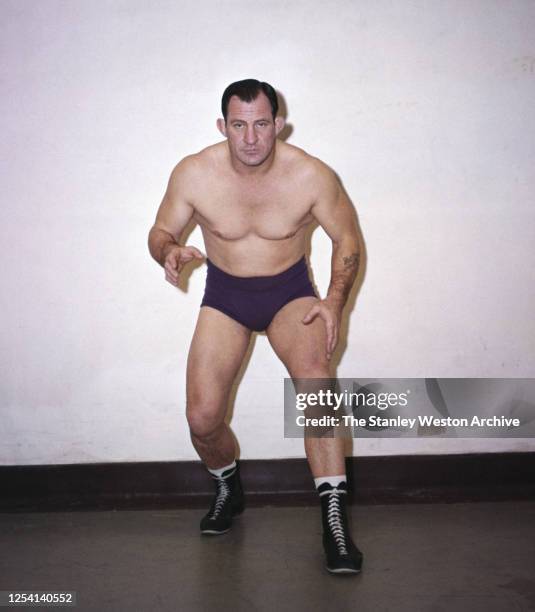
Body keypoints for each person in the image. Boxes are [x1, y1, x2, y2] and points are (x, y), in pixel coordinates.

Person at [148, 79, 364, 574]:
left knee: (317, 386)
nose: (250, 138)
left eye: (261, 124)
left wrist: (333, 301)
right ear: (223, 126)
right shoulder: (194, 173)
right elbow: (160, 230)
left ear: (278, 125)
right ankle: (229, 485)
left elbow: (346, 238)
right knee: (202, 418)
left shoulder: (310, 174)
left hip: (289, 292)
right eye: (239, 125)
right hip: (225, 294)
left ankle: (334, 519)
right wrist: (169, 250)